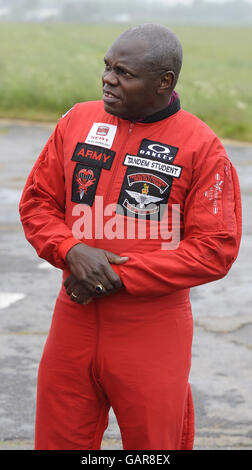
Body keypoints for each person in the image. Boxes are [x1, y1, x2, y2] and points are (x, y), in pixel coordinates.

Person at [19, 23, 242, 450]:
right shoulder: (77, 121)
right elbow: (37, 202)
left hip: (152, 328)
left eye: (124, 73)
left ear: (164, 82)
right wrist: (71, 249)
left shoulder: (202, 147)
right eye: (107, 67)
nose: (108, 78)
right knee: (58, 439)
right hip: (74, 316)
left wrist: (117, 275)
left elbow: (215, 249)